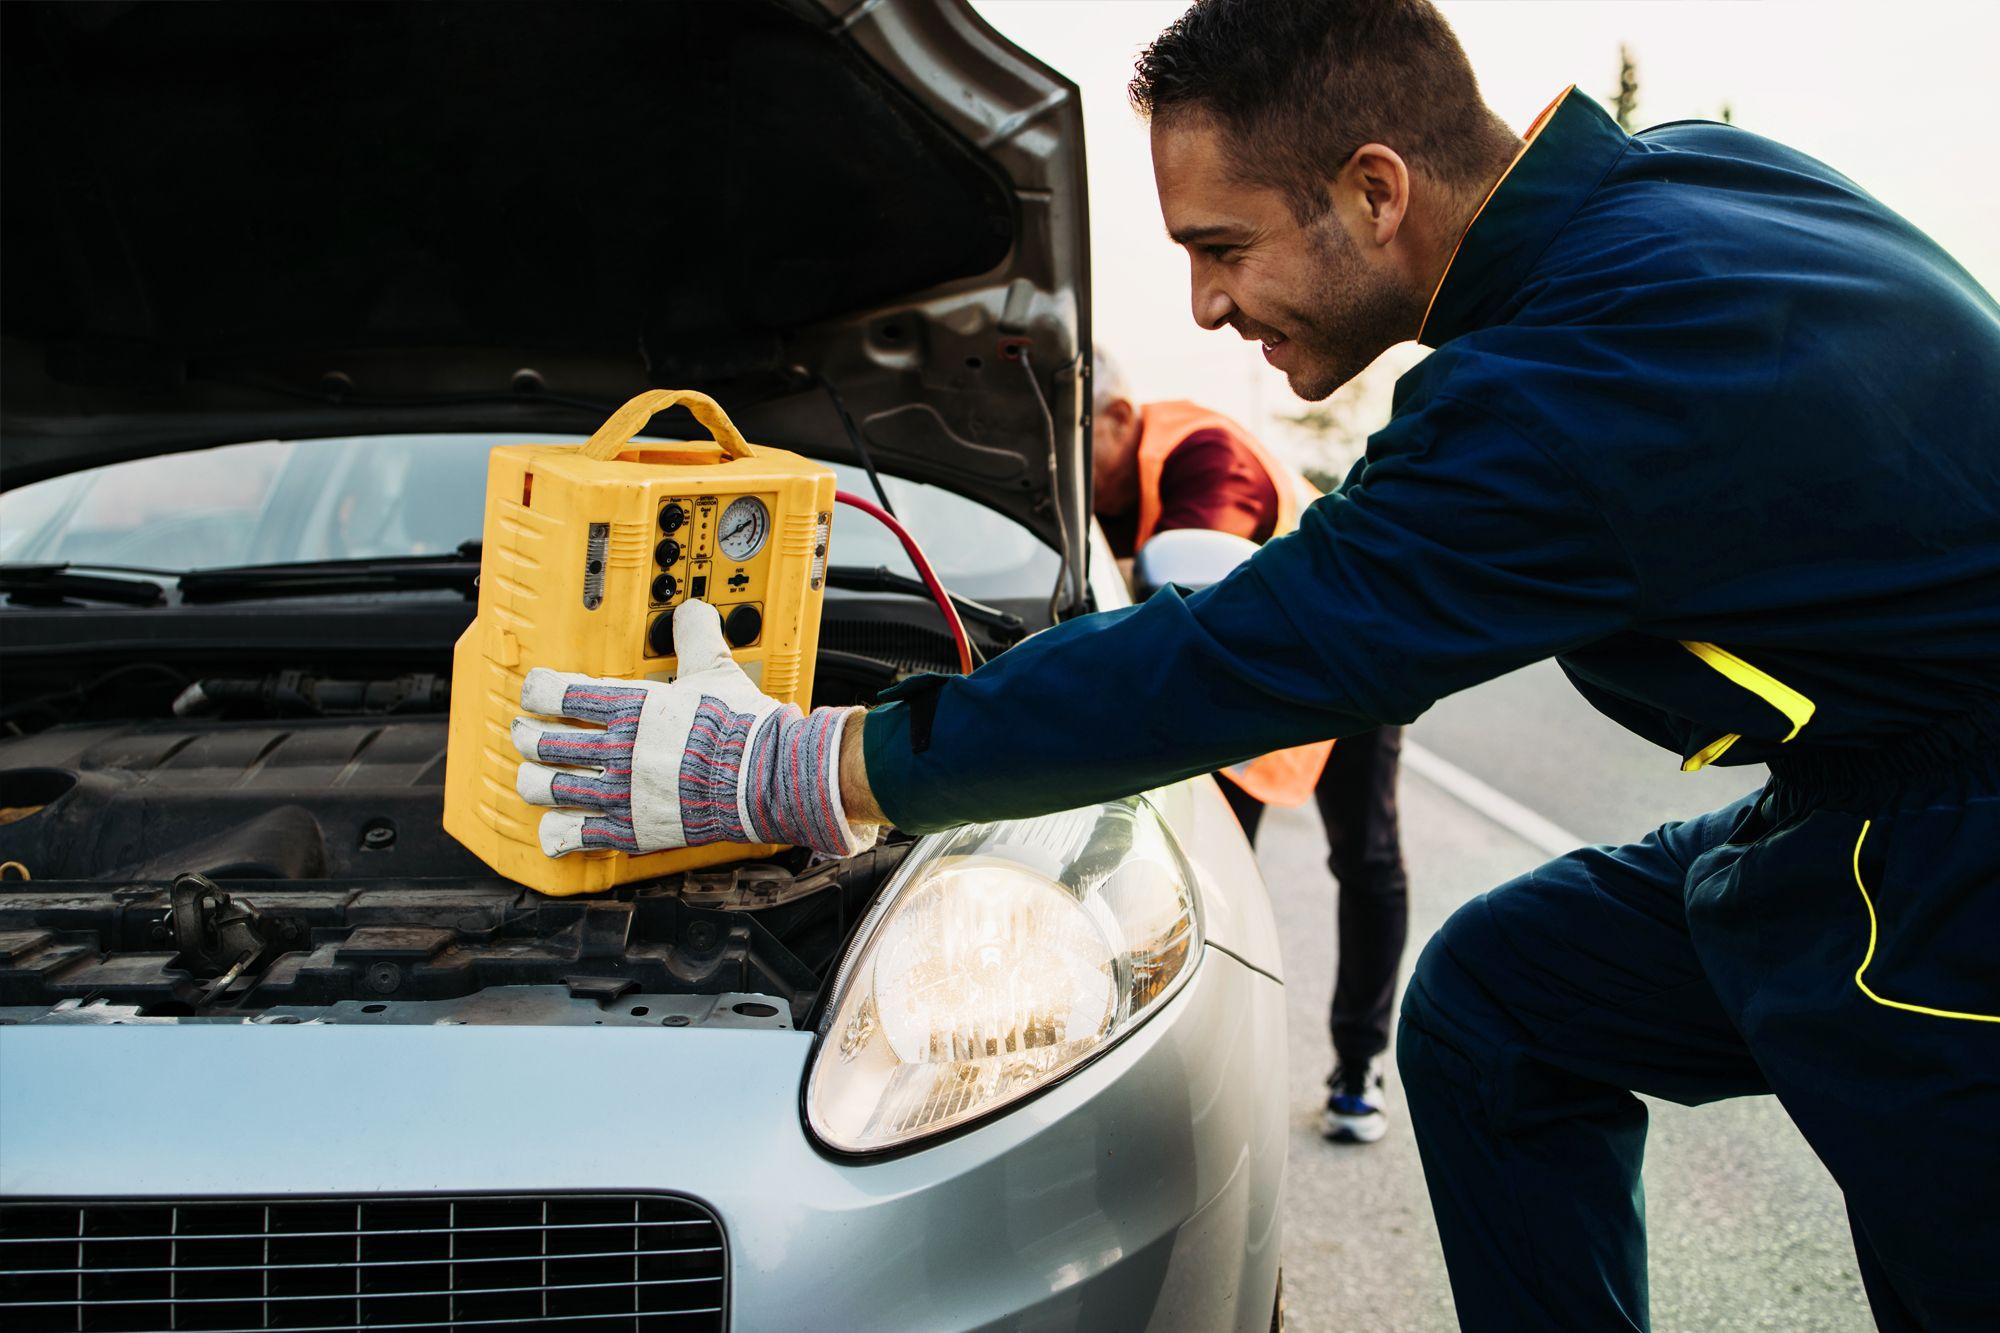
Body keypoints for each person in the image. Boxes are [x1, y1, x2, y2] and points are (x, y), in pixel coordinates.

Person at [513, 1, 2000, 1326]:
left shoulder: (1576, 383)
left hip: (1956, 863)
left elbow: (1248, 651)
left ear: (1373, 191)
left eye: (1221, 249)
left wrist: (815, 763)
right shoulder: (1677, 191)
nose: (1210, 306)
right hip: (1867, 786)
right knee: (1503, 1001)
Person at [1091, 343, 1411, 1144]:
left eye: (1074, 436)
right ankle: (1200, 1070)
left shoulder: (1206, 453)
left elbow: (1197, 594)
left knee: (1365, 855)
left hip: (1354, 649)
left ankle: (1359, 1063)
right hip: (1250, 671)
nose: (1062, 463)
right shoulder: (1096, 488)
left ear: (1120, 418)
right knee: (1211, 871)